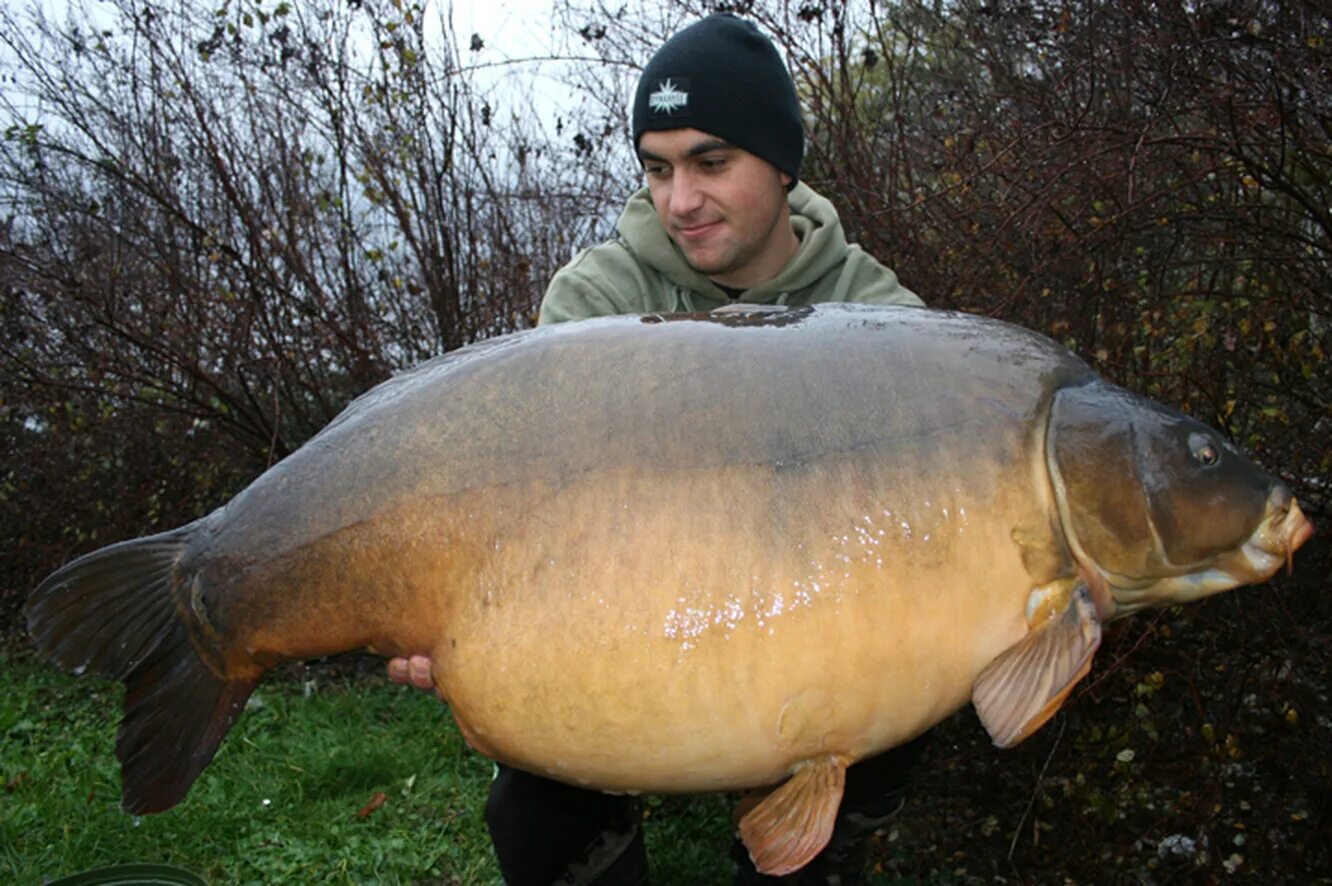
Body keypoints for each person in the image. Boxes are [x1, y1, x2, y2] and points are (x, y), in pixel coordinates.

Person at [388, 13, 928, 885]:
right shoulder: (597, 299)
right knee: (534, 809)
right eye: (657, 167)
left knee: (898, 722)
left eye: (712, 163)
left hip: (809, 625)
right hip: (628, 625)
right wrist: (448, 610)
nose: (680, 200)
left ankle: (796, 855)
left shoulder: (879, 317)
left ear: (781, 165)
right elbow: (531, 500)